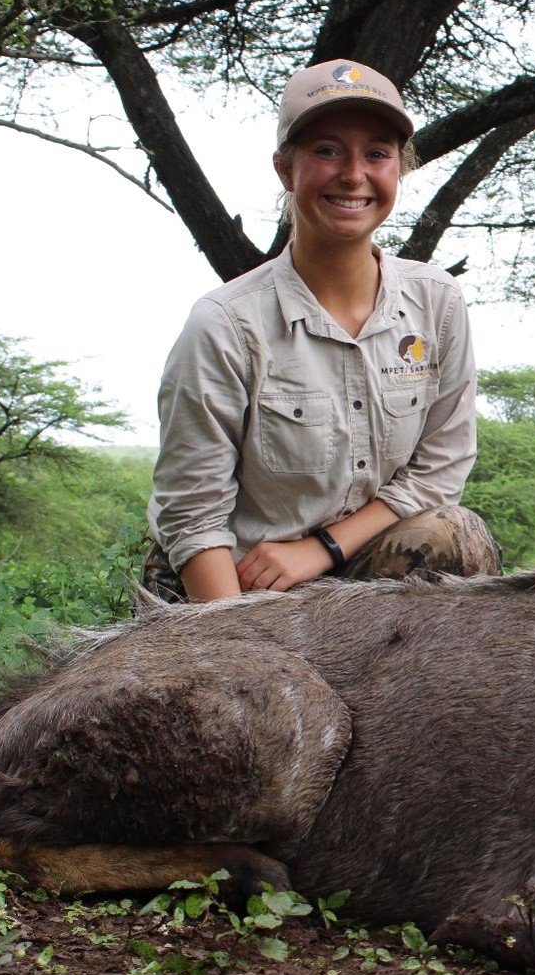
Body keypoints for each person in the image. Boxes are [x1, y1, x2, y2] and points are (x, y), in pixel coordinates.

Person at [144, 59, 501, 603]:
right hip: (241, 578)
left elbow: (440, 469)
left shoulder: (438, 302)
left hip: (359, 565)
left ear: (397, 171)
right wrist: (242, 650)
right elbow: (194, 516)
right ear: (285, 169)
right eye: (327, 150)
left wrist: (324, 549)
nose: (353, 174)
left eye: (377, 154)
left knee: (455, 534)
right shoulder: (225, 323)